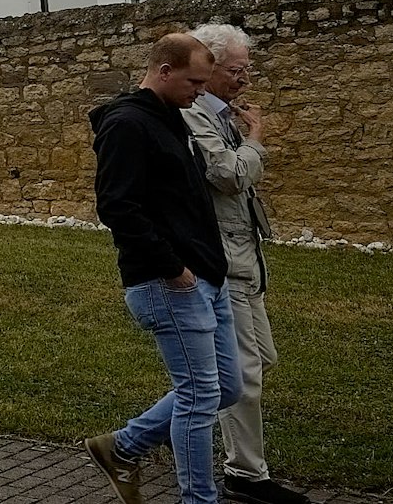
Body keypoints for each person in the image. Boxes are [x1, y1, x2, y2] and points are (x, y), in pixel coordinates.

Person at [84, 33, 241, 504]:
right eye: (194, 80)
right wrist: (172, 268)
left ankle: (123, 446)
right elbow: (116, 205)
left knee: (227, 386)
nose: (201, 90)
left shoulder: (171, 119)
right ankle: (199, 500)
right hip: (169, 282)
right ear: (164, 70)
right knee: (197, 396)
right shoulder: (128, 124)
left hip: (206, 277)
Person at [181, 26, 307, 504]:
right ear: (206, 68)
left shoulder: (221, 114)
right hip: (223, 257)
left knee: (257, 362)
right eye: (237, 71)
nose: (246, 80)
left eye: (247, 70)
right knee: (243, 372)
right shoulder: (194, 116)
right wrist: (256, 139)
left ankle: (131, 441)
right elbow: (229, 175)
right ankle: (246, 475)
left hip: (243, 255)